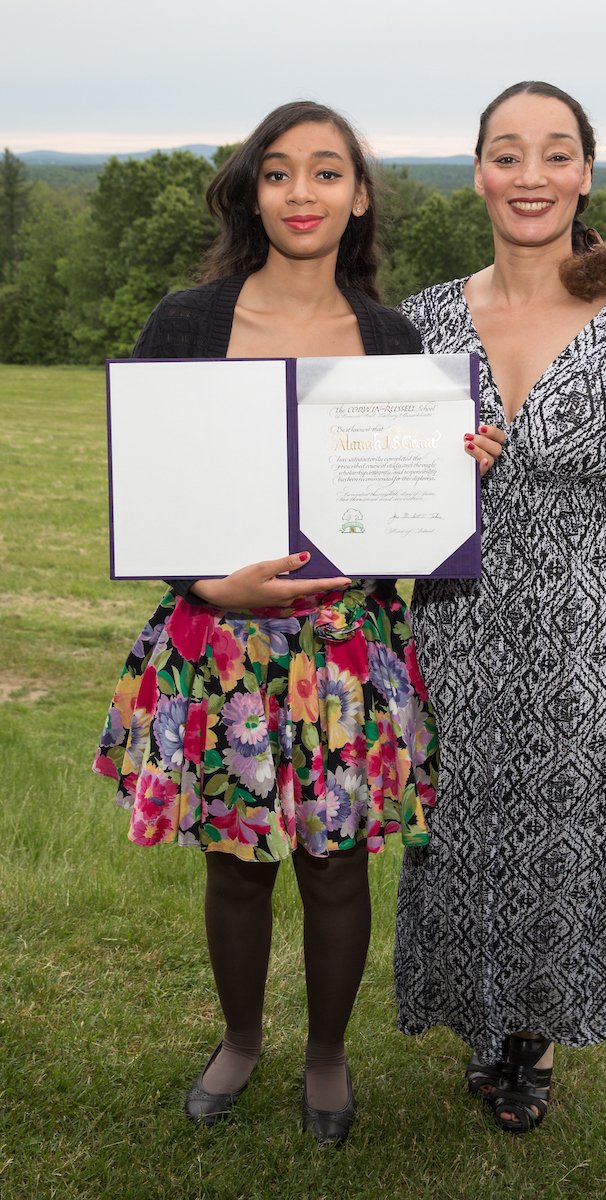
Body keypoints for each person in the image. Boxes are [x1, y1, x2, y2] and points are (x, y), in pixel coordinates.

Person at [92, 101, 455, 1145]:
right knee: (236, 858)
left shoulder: (389, 338)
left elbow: (396, 513)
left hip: (342, 651)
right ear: (252, 192)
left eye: (327, 172)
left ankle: (328, 1054)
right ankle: (241, 1038)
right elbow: (146, 490)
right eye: (280, 173)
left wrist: (449, 474)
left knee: (335, 863)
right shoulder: (188, 321)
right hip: (224, 649)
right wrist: (209, 585)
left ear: (359, 196)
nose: (303, 194)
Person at [394, 81, 606, 1134]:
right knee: (463, 834)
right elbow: (375, 498)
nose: (529, 176)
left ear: (584, 172)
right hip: (454, 625)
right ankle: (480, 1025)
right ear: (476, 171)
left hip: (591, 629)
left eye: (553, 153)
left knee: (567, 840)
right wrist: (435, 474)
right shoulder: (426, 320)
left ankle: (526, 1044)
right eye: (505, 153)